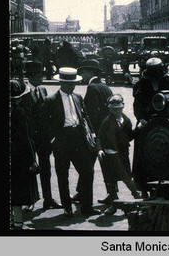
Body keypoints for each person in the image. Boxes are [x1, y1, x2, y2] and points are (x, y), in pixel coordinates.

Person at [40, 67, 100, 217]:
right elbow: (43, 124)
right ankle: (67, 207)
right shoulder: (50, 100)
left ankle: (87, 206)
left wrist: (92, 134)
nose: (72, 86)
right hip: (62, 140)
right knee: (63, 175)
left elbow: (85, 117)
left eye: (74, 83)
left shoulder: (78, 97)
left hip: (79, 139)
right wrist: (53, 139)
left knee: (88, 171)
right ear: (62, 83)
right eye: (69, 84)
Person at [22, 61, 62, 210]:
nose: (42, 78)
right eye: (39, 75)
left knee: (46, 169)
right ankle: (29, 201)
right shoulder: (23, 93)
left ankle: (48, 198)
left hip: (43, 139)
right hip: (29, 138)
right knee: (29, 170)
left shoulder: (43, 90)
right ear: (31, 76)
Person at [75, 59, 114, 206]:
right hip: (107, 132)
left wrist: (91, 133)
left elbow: (92, 114)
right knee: (106, 165)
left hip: (96, 134)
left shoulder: (92, 88)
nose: (82, 75)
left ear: (91, 72)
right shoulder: (105, 86)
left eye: (83, 72)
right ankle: (110, 193)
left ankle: (82, 192)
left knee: (87, 163)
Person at [132, 57, 169, 190]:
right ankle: (141, 181)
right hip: (146, 119)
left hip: (164, 117)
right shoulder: (141, 84)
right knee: (141, 143)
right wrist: (142, 119)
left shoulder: (167, 80)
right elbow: (137, 105)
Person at [96, 94, 142, 215]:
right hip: (108, 156)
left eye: (118, 108)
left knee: (127, 178)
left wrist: (138, 129)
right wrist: (100, 149)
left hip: (122, 156)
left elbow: (129, 137)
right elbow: (99, 137)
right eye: (113, 109)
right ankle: (114, 204)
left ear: (122, 107)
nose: (116, 111)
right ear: (110, 109)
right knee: (110, 181)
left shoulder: (126, 121)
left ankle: (137, 196)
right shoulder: (106, 121)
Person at [10, 79, 39, 230]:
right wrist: (32, 160)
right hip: (18, 158)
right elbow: (25, 138)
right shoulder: (19, 113)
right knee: (17, 192)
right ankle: (18, 223)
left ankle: (11, 220)